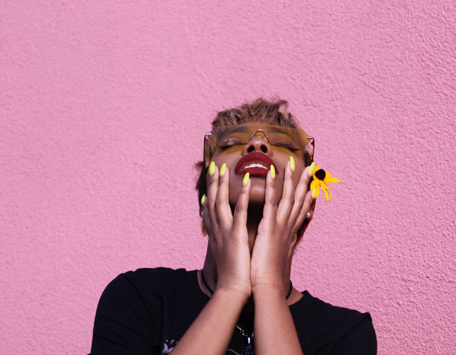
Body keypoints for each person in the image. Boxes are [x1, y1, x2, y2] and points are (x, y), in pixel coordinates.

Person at [90, 98, 377, 354]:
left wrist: (268, 288)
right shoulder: (140, 299)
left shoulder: (346, 334)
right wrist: (230, 290)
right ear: (204, 201)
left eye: (284, 144)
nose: (258, 144)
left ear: (309, 205)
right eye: (230, 143)